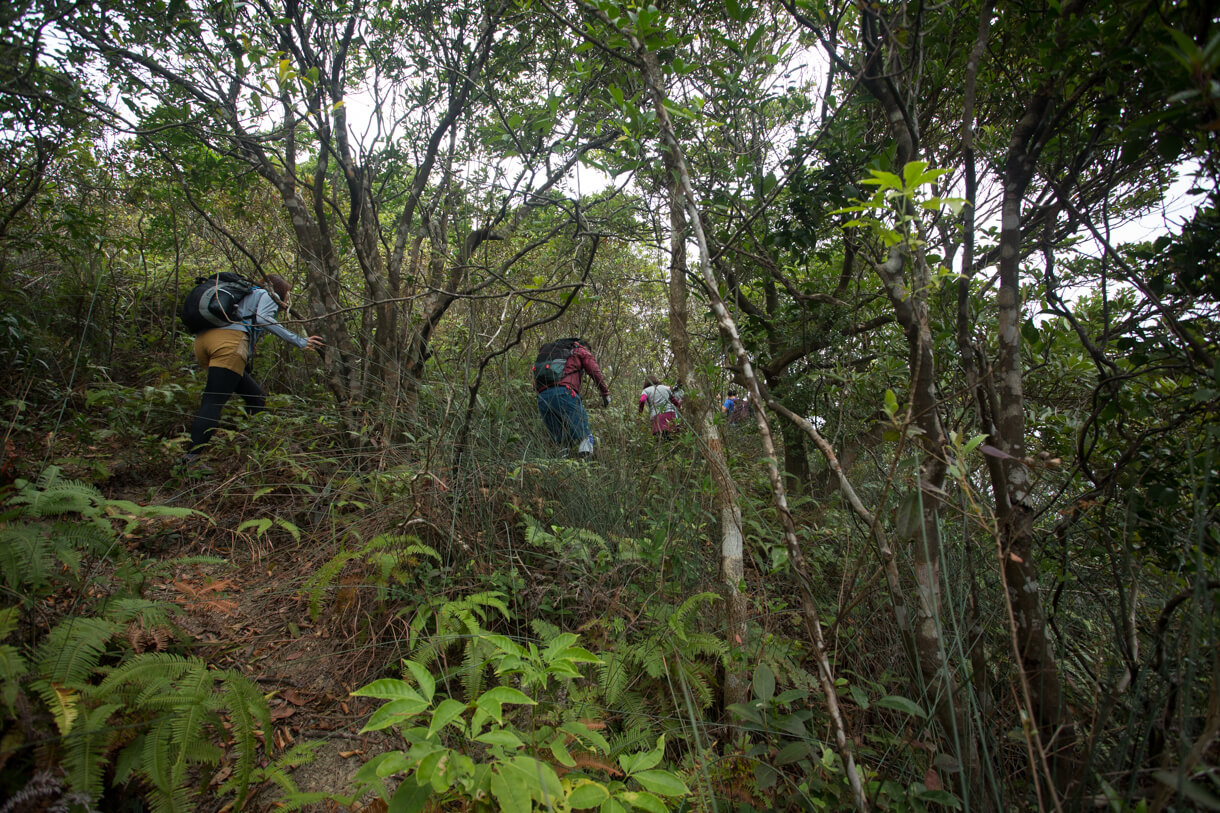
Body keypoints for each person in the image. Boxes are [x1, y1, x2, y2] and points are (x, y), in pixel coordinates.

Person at [183, 274, 323, 467]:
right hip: (228, 343)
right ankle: (191, 460)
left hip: (203, 342)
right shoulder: (267, 294)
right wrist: (299, 340)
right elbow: (264, 319)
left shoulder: (244, 295)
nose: (288, 299)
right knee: (213, 401)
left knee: (256, 397)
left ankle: (252, 446)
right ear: (280, 291)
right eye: (288, 294)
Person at [533, 337, 610, 460]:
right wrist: (605, 393)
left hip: (543, 398)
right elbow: (594, 370)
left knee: (561, 441)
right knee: (585, 436)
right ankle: (586, 472)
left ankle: (562, 470)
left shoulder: (552, 352)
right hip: (565, 394)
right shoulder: (579, 350)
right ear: (585, 347)